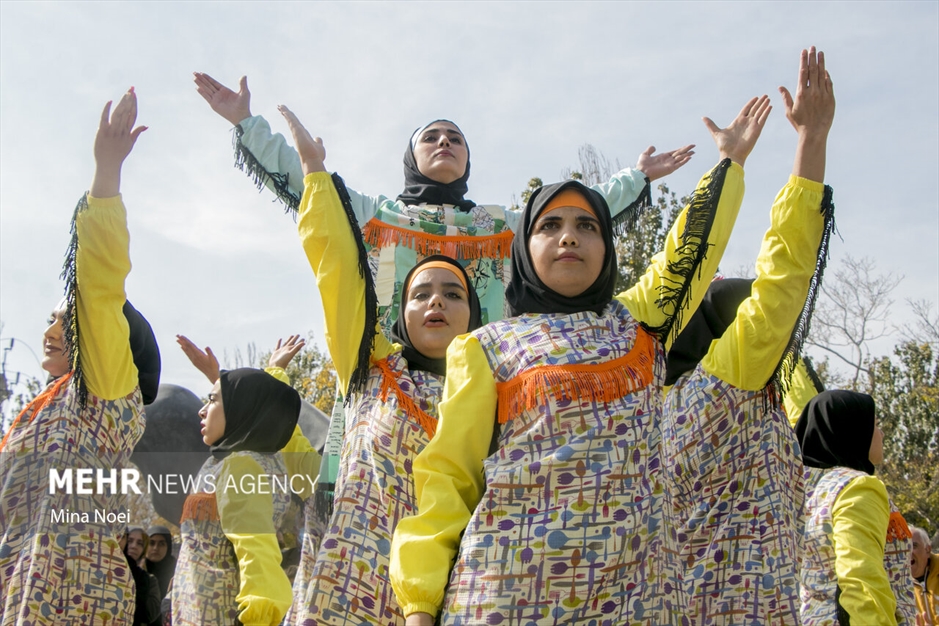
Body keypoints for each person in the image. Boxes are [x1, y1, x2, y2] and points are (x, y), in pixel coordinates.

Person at [194, 73, 696, 542]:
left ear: (468, 162)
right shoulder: (378, 215)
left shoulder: (500, 224)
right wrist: (247, 124)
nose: (444, 144)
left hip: (481, 400)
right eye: (432, 137)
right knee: (366, 531)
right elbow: (312, 182)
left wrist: (636, 178)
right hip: (388, 395)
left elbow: (568, 219)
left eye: (455, 139)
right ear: (411, 156)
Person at [389, 92, 771, 624]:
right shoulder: (485, 347)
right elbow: (447, 480)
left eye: (587, 226)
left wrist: (730, 165)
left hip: (636, 601)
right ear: (525, 245)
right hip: (502, 599)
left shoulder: (636, 329)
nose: (569, 236)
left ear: (606, 246)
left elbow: (687, 256)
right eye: (550, 226)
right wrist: (418, 605)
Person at [276, 105, 484, 625]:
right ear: (400, 312)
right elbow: (338, 272)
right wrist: (315, 175)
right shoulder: (369, 366)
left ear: (474, 314)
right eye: (420, 294)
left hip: (452, 593)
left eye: (453, 293)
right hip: (346, 591)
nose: (436, 303)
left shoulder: (492, 394)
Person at [661, 46, 836, 624]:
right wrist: (811, 143)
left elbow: (677, 271)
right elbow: (782, 280)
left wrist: (728, 165)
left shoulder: (655, 409)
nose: (779, 340)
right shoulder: (721, 390)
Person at [0, 88, 161, 625]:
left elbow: (97, 285)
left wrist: (107, 172)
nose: (50, 330)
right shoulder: (37, 411)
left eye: (65, 321)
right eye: (49, 317)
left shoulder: (105, 393)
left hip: (75, 595)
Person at [170, 365, 301, 626]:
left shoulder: (242, 466)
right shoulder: (238, 460)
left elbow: (256, 549)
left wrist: (259, 615)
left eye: (213, 399)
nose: (202, 410)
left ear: (242, 408)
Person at [796, 390, 919, 625]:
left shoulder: (805, 490)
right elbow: (861, 579)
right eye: (874, 425)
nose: (881, 434)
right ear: (852, 432)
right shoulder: (856, 487)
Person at [122, 528, 163, 626]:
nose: (134, 546)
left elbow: (150, 614)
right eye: (130, 541)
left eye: (140, 543)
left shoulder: (148, 579)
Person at [911, 525, 939, 624]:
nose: (908, 552)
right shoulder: (897, 586)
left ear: (928, 549)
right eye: (904, 547)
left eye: (914, 546)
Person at [145, 524, 178, 602]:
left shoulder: (177, 571)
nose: (155, 548)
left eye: (161, 544)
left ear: (168, 546)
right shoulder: (136, 569)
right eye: (151, 543)